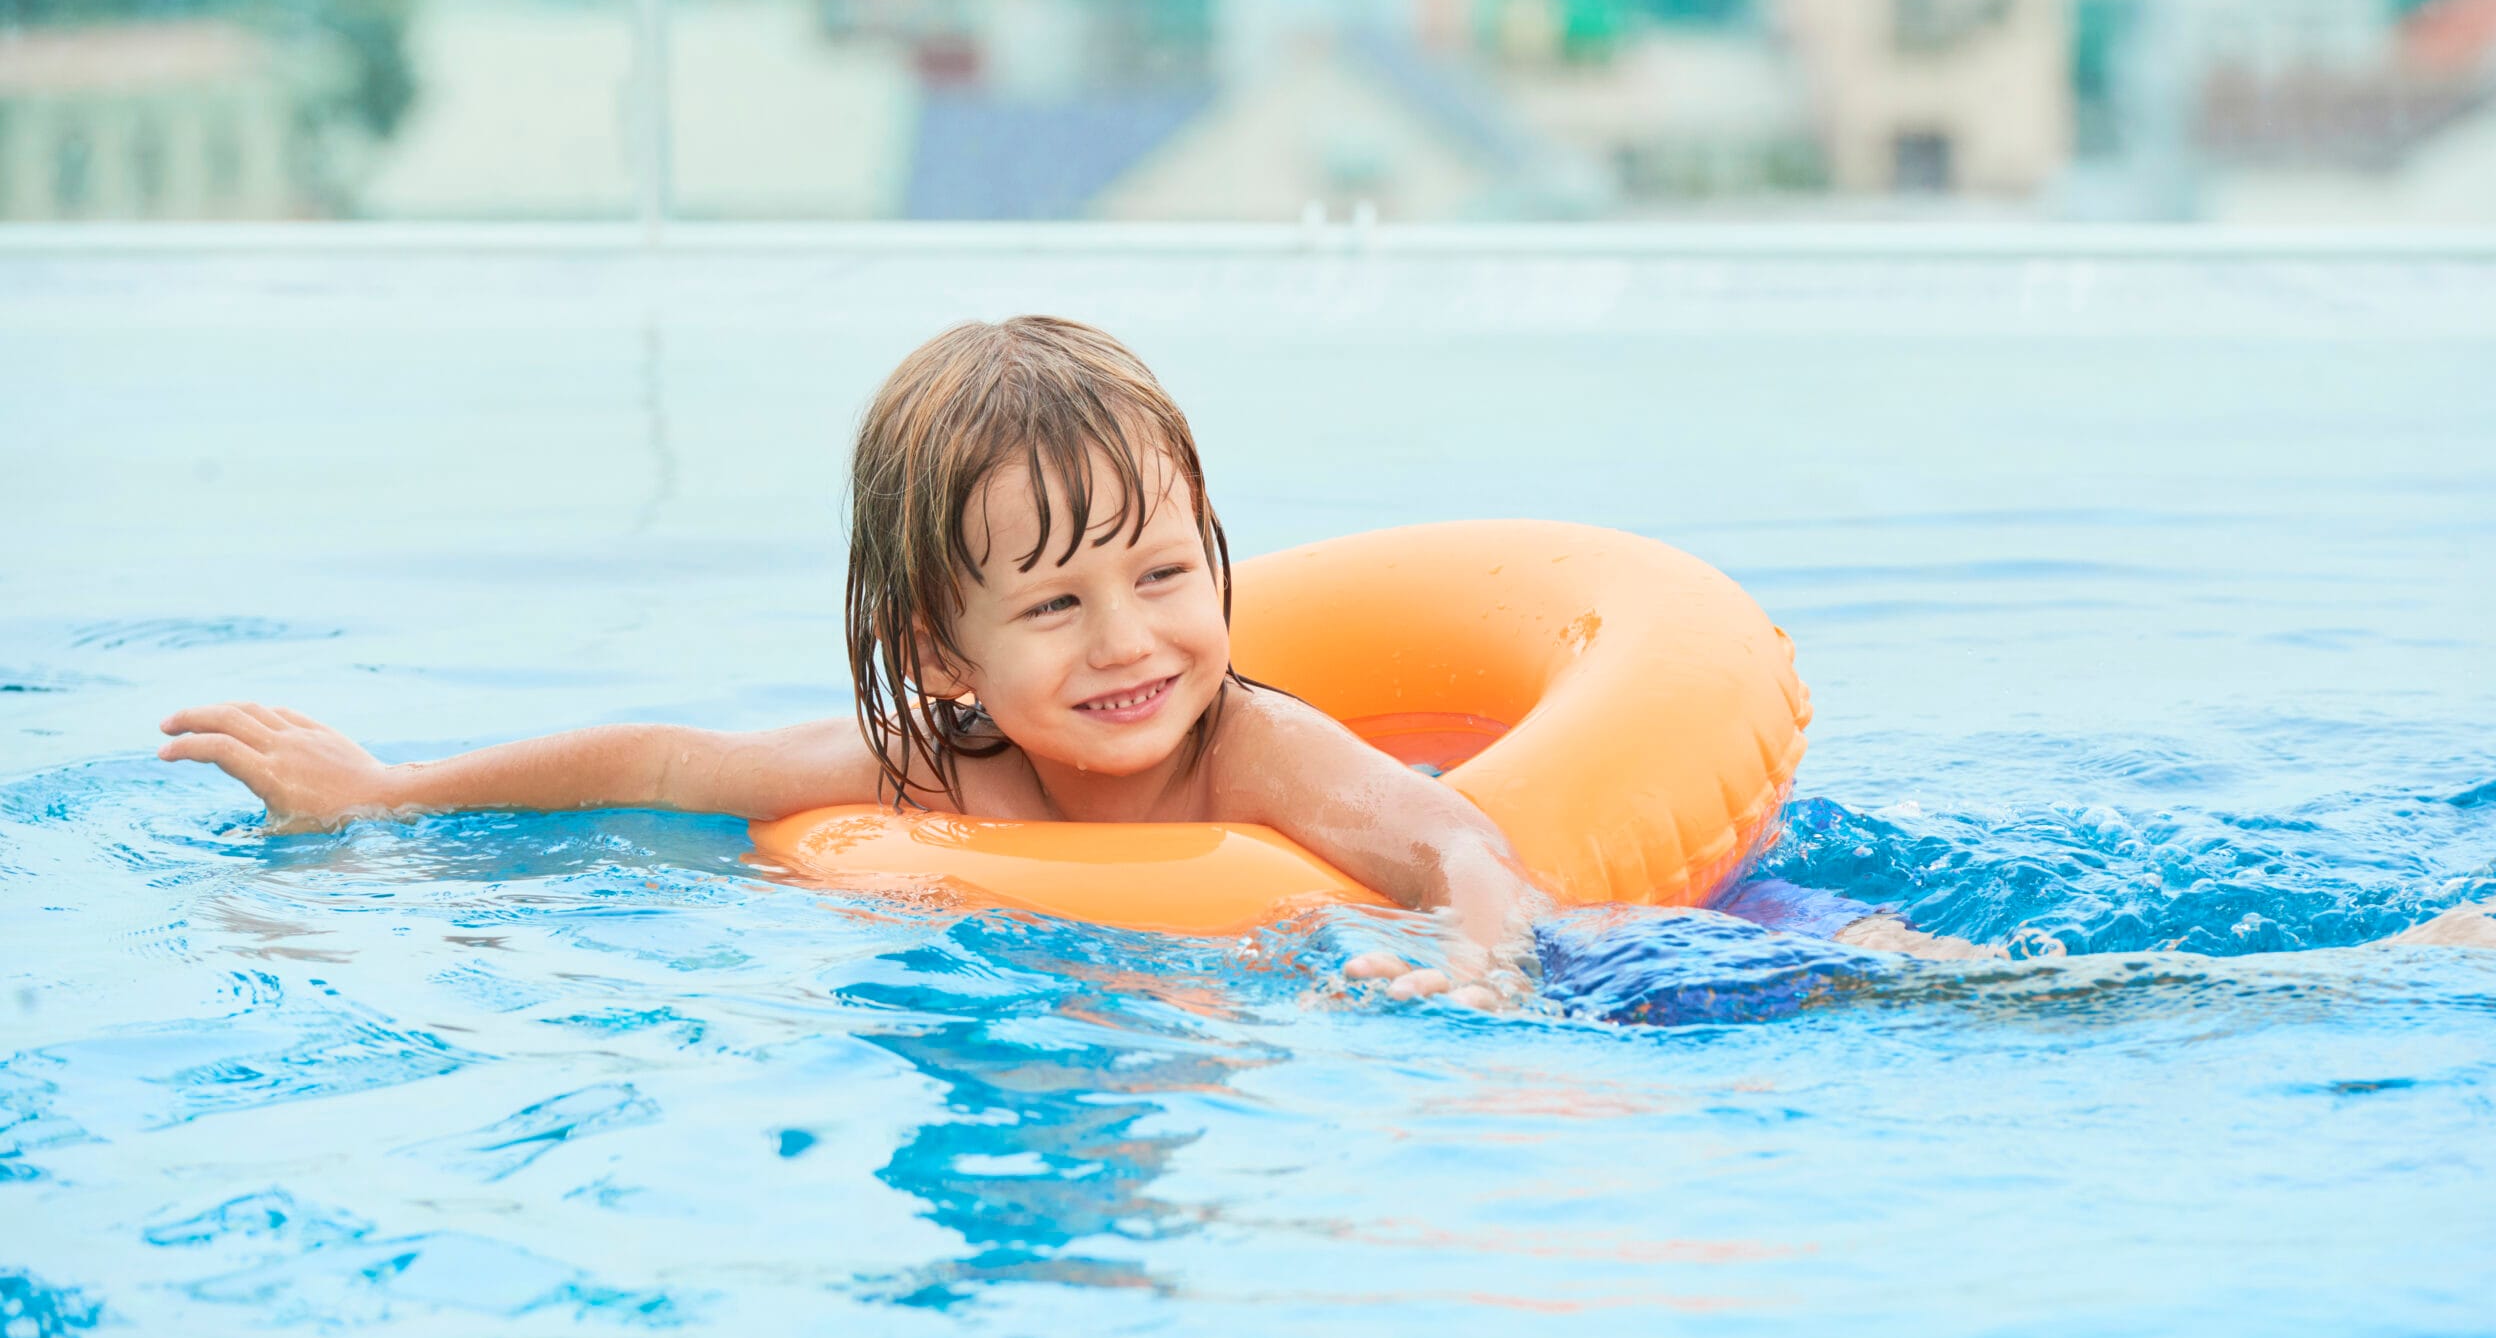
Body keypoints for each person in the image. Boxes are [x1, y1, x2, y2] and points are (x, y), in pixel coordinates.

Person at [159, 316, 1544, 1007]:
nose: (1132, 641)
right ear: (944, 654)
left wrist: (1477, 966)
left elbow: (1460, 843)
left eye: (1165, 574)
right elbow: (667, 763)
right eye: (1056, 607)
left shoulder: (1252, 751)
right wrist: (385, 796)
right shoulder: (933, 767)